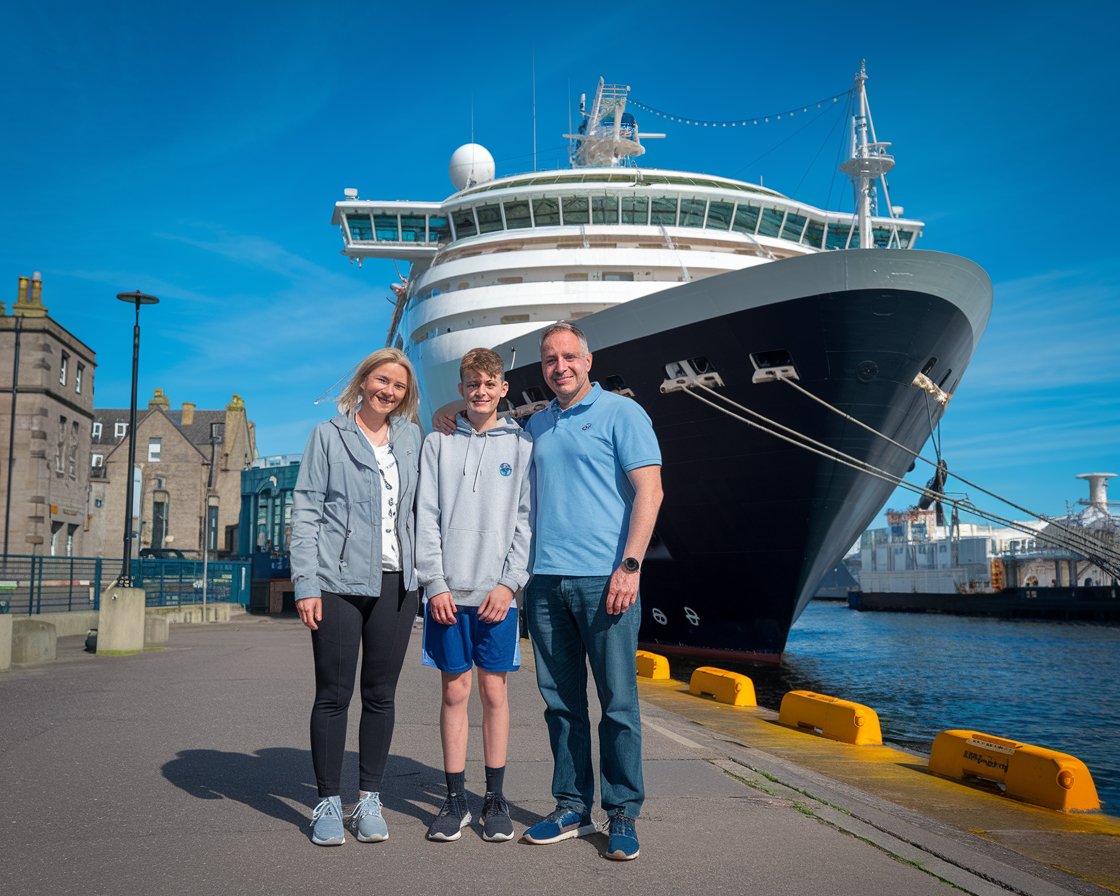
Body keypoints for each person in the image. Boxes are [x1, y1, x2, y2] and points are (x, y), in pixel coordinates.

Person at [433, 322, 662, 861]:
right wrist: (450, 407)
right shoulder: (535, 425)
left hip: (606, 581)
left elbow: (650, 490)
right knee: (561, 705)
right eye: (550, 360)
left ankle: (622, 812)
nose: (560, 366)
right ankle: (571, 806)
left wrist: (629, 566)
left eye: (568, 357)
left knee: (618, 703)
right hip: (544, 584)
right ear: (541, 371)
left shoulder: (623, 414)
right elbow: (483, 408)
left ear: (588, 360)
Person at [289, 348, 422, 847]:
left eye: (399, 386)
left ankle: (369, 798)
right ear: (364, 381)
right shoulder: (328, 436)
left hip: (397, 584)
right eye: (381, 381)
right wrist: (307, 586)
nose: (388, 391)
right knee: (333, 695)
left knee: (381, 696)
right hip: (338, 583)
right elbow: (306, 514)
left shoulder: (412, 438)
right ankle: (326, 800)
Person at [415, 347, 533, 844]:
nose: (481, 392)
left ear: (503, 388)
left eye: (490, 384)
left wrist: (509, 584)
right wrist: (434, 583)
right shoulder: (437, 443)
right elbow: (425, 516)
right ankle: (455, 798)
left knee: (493, 693)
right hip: (448, 594)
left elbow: (526, 522)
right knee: (454, 692)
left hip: (496, 597)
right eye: (472, 384)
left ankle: (495, 797)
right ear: (460, 390)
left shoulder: (522, 446)